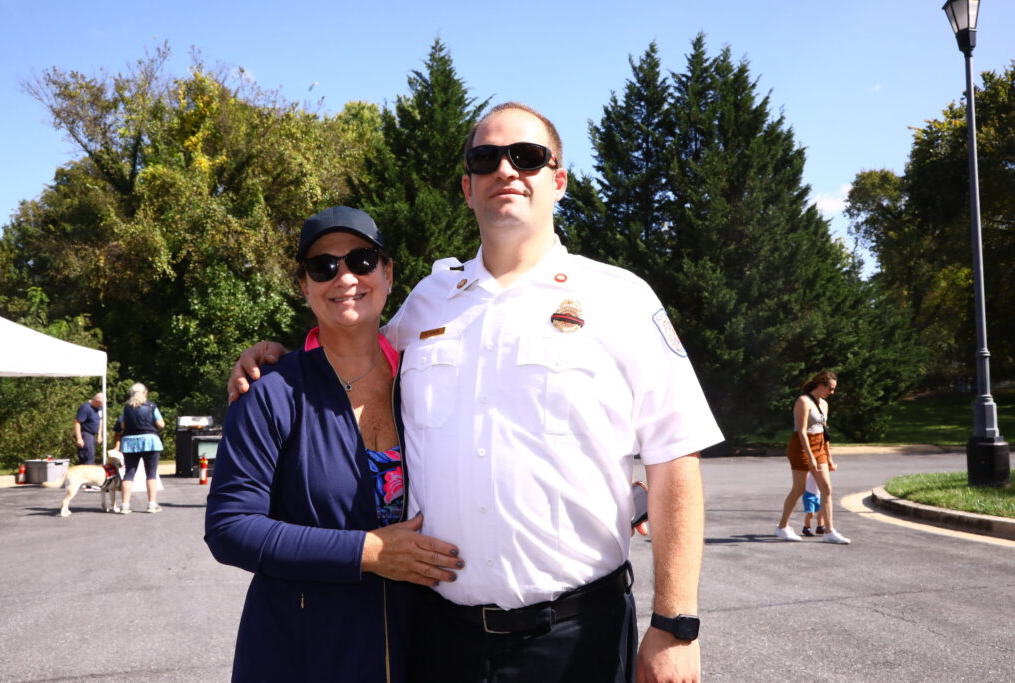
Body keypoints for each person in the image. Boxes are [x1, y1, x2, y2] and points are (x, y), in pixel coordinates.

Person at [230, 103, 723, 682]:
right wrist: (277, 359)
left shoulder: (622, 299)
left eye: (527, 156)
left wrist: (675, 625)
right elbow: (355, 354)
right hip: (440, 640)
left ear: (559, 179)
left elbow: (675, 460)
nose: (505, 170)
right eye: (486, 159)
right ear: (468, 187)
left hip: (577, 638)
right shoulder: (428, 303)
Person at [205, 206, 464, 683]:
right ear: (305, 287)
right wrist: (367, 552)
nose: (345, 277)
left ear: (387, 274)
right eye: (323, 266)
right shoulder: (269, 392)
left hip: (421, 647)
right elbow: (230, 528)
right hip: (302, 654)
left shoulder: (426, 381)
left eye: (362, 260)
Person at [776, 371, 850, 544]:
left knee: (827, 488)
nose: (833, 392)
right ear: (821, 385)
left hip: (819, 446)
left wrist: (828, 457)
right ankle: (782, 527)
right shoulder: (803, 401)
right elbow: (801, 432)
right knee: (799, 489)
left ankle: (829, 532)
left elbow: (825, 432)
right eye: (831, 388)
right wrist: (810, 457)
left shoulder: (824, 404)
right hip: (801, 447)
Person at [117, 382, 165, 514]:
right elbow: (161, 424)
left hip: (130, 442)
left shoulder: (127, 408)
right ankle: (152, 504)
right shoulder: (151, 406)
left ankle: (125, 505)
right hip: (150, 441)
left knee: (129, 473)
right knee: (151, 473)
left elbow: (122, 426)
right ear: (145, 393)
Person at [73, 393, 104, 466]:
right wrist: (79, 438)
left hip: (93, 435)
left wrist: (99, 434)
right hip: (85, 434)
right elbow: (77, 423)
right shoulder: (85, 408)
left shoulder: (99, 408)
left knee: (91, 456)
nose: (101, 406)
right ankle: (86, 471)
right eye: (100, 404)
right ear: (96, 401)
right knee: (87, 457)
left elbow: (100, 420)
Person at [801, 472, 826, 537]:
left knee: (821, 512)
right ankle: (807, 528)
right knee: (810, 513)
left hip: (818, 495)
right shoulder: (810, 471)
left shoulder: (822, 471)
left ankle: (820, 527)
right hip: (808, 496)